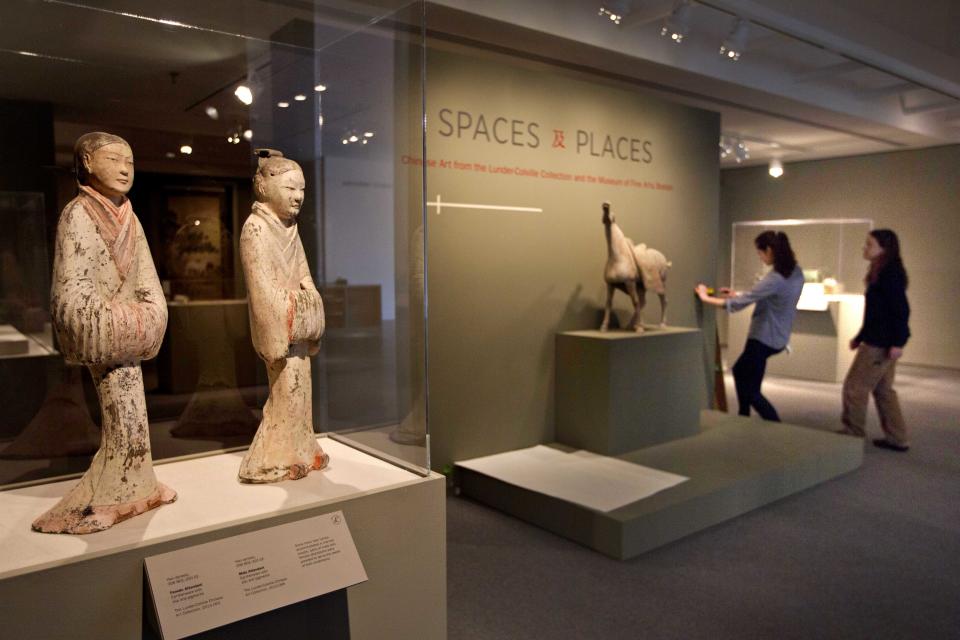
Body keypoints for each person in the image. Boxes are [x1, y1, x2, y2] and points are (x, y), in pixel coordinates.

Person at [696, 231, 803, 421]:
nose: (760, 258)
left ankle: (774, 423)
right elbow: (766, 296)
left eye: (760, 253)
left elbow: (741, 304)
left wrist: (705, 298)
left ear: (769, 250)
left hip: (763, 338)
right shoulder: (796, 272)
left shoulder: (775, 278)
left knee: (752, 390)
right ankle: (743, 415)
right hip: (778, 337)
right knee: (742, 373)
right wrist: (738, 294)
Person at [839, 229, 911, 451]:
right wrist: (860, 336)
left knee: (854, 388)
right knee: (883, 390)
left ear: (884, 249)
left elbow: (900, 310)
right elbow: (876, 312)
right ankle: (898, 437)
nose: (865, 248)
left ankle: (852, 434)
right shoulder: (883, 271)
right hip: (879, 339)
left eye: (869, 244)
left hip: (880, 343)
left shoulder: (890, 274)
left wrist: (898, 342)